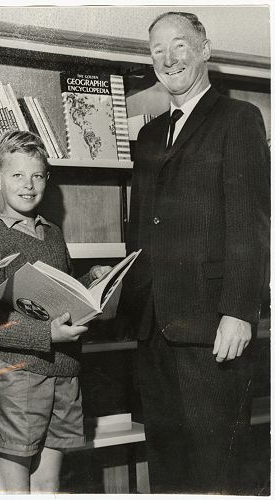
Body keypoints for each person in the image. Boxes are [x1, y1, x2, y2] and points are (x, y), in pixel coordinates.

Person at [119, 11, 270, 494]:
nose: (168, 58)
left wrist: (239, 311)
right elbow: (140, 230)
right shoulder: (146, 137)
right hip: (153, 330)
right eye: (158, 50)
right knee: (167, 472)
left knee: (215, 473)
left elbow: (250, 222)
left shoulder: (239, 119)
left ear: (204, 49)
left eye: (179, 45)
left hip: (211, 329)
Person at [0, 130, 110, 494]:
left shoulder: (54, 234)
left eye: (37, 175)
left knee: (48, 487)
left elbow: (61, 294)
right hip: (17, 379)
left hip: (64, 374)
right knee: (16, 490)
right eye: (17, 175)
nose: (28, 185)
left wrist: (92, 279)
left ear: (47, 178)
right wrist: (46, 335)